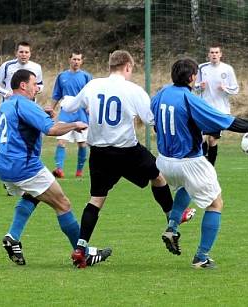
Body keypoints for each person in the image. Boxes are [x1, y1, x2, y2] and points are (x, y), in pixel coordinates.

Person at [61, 50, 195, 269]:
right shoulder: (133, 90)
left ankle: (80, 248)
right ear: (127, 67)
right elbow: (151, 119)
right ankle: (172, 216)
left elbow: (70, 106)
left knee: (96, 200)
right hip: (127, 151)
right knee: (158, 177)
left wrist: (64, 101)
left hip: (99, 153)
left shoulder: (92, 86)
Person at [152, 58, 248, 268]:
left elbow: (156, 125)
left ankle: (172, 227)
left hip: (163, 163)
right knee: (215, 204)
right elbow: (228, 121)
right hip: (189, 162)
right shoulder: (189, 98)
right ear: (192, 77)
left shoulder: (161, 94)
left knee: (187, 187)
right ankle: (202, 257)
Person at [0, 69, 110, 267]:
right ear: (23, 85)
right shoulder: (25, 105)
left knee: (33, 195)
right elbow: (51, 130)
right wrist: (74, 124)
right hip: (25, 167)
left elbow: (23, 121)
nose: (37, 88)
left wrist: (42, 113)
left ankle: (12, 236)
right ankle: (83, 253)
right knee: (63, 204)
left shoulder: (7, 104)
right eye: (34, 84)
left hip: (3, 165)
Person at [49, 51, 92, 179]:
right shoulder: (62, 76)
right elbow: (56, 94)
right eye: (74, 59)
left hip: (82, 113)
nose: (76, 62)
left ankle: (79, 170)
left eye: (79, 59)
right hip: (66, 112)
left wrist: (90, 106)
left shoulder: (86, 76)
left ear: (82, 61)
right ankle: (59, 169)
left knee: (82, 144)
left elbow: (91, 94)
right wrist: (51, 109)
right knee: (61, 141)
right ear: (69, 60)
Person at [194, 44, 239, 166]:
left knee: (212, 139)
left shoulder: (227, 69)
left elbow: (235, 89)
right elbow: (194, 86)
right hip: (203, 109)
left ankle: (211, 166)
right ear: (208, 55)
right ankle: (202, 164)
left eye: (216, 52)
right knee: (201, 138)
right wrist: (199, 86)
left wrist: (225, 88)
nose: (214, 55)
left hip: (220, 110)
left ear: (220, 54)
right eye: (212, 52)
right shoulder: (201, 68)